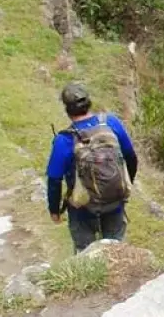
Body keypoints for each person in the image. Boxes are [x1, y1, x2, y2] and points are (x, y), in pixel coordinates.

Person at [46, 82, 138, 252]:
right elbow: (131, 157)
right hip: (115, 202)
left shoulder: (65, 140)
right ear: (89, 103)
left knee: (84, 253)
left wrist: (54, 210)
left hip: (83, 209)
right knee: (116, 250)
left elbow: (54, 179)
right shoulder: (111, 123)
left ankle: (89, 277)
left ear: (67, 110)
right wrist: (125, 185)